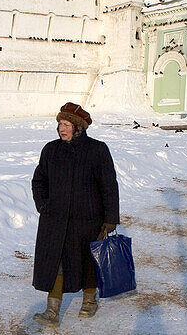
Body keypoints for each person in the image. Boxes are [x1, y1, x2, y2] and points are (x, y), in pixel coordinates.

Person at [31, 102, 120, 326]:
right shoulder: (51, 150)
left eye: (67, 124)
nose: (62, 129)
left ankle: (89, 301)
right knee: (56, 263)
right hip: (56, 220)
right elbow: (38, 180)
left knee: (89, 261)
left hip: (88, 219)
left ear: (78, 128)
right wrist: (43, 205)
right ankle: (52, 310)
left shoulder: (98, 150)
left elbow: (109, 186)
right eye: (60, 124)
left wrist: (110, 218)